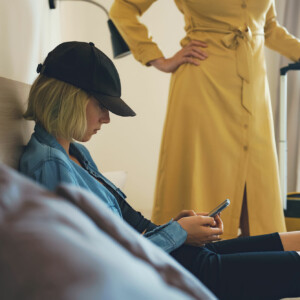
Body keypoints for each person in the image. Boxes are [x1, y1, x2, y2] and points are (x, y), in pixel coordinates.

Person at [19, 41, 300, 300]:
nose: (106, 119)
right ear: (70, 98)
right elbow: (97, 261)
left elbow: (125, 232)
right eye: (102, 106)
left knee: (290, 241)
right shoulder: (49, 166)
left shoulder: (73, 152)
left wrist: (174, 227)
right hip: (163, 272)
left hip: (170, 258)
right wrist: (177, 232)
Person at [109, 0, 300, 238]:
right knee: (206, 185)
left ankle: (260, 270)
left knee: (257, 200)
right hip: (203, 88)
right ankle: (199, 265)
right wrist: (157, 58)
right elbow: (123, 8)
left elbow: (269, 28)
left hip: (254, 95)